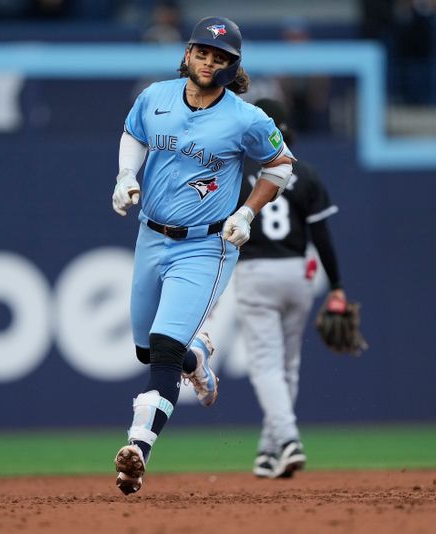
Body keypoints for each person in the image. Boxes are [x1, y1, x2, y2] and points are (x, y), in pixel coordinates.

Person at [110, 16, 296, 495]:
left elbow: (281, 164)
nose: (209, 62)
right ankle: (199, 360)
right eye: (203, 52)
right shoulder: (156, 97)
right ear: (187, 55)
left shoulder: (246, 118)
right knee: (147, 350)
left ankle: (138, 449)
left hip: (206, 243)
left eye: (220, 57)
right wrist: (126, 176)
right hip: (152, 235)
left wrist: (248, 213)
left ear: (233, 67)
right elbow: (134, 134)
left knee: (163, 353)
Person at [233, 98, 347, 479]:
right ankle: (268, 451)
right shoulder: (305, 172)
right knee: (288, 366)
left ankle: (288, 440)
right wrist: (337, 287)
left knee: (266, 364)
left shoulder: (237, 172)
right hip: (299, 273)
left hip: (255, 270)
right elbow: (322, 235)